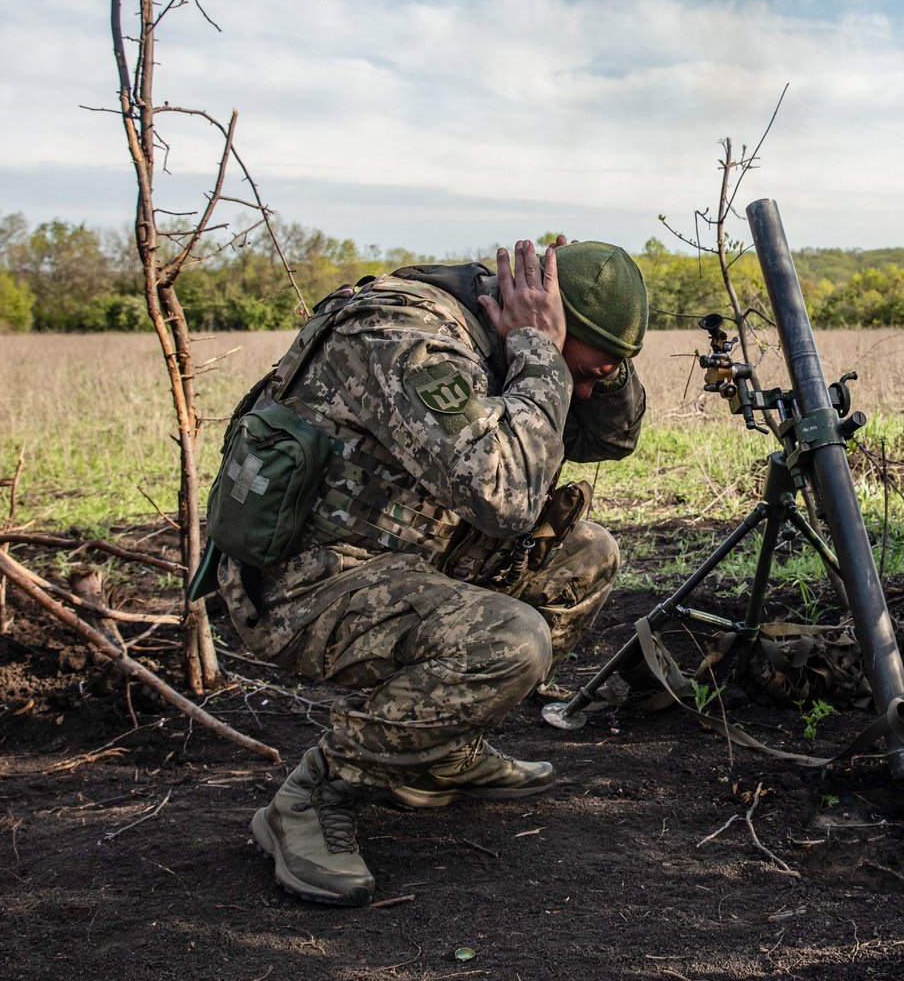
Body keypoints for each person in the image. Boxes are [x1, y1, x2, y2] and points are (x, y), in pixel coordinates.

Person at [218, 236, 647, 906]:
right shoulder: (410, 336)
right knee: (510, 640)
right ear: (533, 323)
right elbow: (504, 496)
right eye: (581, 371)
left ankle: (438, 745)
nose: (582, 389)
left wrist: (596, 369)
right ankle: (312, 794)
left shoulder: (511, 339)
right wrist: (539, 351)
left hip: (398, 554)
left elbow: (611, 438)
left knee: (585, 556)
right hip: (304, 581)